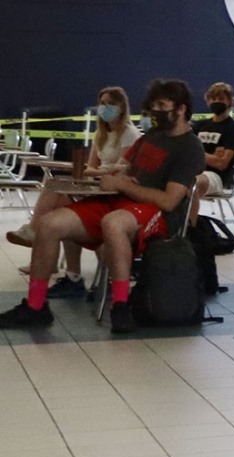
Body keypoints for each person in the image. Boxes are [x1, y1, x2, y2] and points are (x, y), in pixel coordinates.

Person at [1, 79, 205, 333]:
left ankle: (120, 304)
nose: (156, 112)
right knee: (48, 223)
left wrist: (124, 185)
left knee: (114, 223)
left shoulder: (190, 147)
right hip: (121, 201)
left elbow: (169, 200)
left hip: (158, 214)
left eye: (162, 106)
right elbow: (126, 168)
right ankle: (35, 306)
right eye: (153, 106)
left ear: (181, 109)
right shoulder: (151, 137)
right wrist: (109, 178)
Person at [7, 86, 142, 298]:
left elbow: (121, 168)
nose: (104, 108)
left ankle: (37, 236)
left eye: (110, 104)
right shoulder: (101, 133)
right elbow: (90, 168)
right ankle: (67, 270)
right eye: (102, 103)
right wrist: (83, 170)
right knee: (56, 186)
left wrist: (96, 171)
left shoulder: (130, 134)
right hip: (97, 182)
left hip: (113, 188)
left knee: (64, 202)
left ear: (122, 106)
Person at [192, 82, 234, 199]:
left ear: (229, 101)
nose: (216, 102)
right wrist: (211, 157)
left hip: (216, 177)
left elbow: (221, 164)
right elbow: (185, 153)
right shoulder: (199, 126)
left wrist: (197, 154)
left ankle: (191, 217)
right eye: (213, 99)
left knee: (191, 184)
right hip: (194, 171)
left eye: (221, 99)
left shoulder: (232, 128)